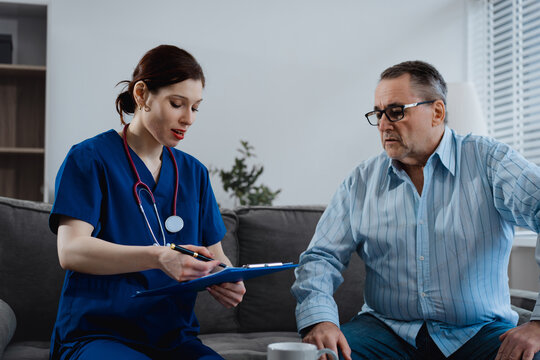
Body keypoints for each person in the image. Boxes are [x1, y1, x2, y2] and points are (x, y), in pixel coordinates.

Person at [291, 60, 540, 360]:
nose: (383, 124)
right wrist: (321, 320)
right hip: (385, 331)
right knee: (317, 357)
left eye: (396, 111)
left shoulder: (491, 161)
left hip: (480, 332)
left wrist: (538, 326)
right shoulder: (361, 180)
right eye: (378, 114)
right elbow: (321, 258)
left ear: (437, 112)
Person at [49, 44, 245, 360]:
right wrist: (159, 257)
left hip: (174, 339)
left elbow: (216, 257)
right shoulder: (89, 159)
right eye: (177, 104)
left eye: (195, 107)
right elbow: (71, 251)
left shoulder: (193, 173)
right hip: (98, 335)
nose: (188, 118)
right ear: (142, 94)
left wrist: (226, 279)